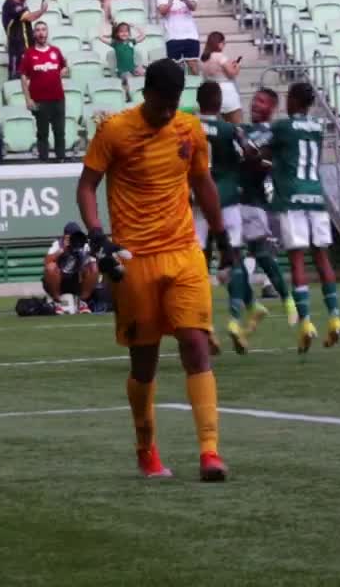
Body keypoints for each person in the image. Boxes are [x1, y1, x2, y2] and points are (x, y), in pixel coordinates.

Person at [76, 58, 235, 481]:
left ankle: (209, 452)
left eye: (173, 104)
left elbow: (202, 182)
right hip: (135, 260)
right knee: (144, 363)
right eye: (161, 103)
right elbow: (87, 186)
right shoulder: (114, 130)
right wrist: (97, 235)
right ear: (145, 93)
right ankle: (146, 450)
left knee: (196, 345)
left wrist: (221, 235)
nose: (167, 112)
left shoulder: (189, 129)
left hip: (184, 252)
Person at [255, 82, 340, 353]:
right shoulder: (317, 127)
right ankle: (335, 317)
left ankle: (306, 322)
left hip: (292, 197)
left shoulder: (282, 126)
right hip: (315, 196)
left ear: (294, 100)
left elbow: (260, 149)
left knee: (297, 260)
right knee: (322, 258)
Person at [195, 81, 259, 354]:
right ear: (220, 103)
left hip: (197, 199)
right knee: (232, 256)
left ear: (198, 102)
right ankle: (234, 319)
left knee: (198, 261)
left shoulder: (187, 126)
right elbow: (250, 152)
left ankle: (204, 325)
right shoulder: (230, 129)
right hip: (227, 199)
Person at [240, 88, 297, 326]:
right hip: (235, 200)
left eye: (261, 102)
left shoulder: (274, 134)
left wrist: (256, 158)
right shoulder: (242, 130)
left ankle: (285, 300)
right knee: (236, 260)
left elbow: (267, 162)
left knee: (261, 253)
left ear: (272, 108)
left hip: (256, 201)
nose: (255, 105)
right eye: (254, 100)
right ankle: (257, 305)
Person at [20, 21, 71, 162]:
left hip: (58, 98)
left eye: (43, 29)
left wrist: (64, 70)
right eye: (38, 30)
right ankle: (44, 160)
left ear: (47, 32)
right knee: (42, 133)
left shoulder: (55, 51)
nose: (41, 32)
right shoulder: (29, 54)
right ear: (34, 34)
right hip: (39, 99)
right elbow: (23, 77)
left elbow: (65, 67)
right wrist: (28, 99)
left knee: (60, 131)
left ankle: (61, 158)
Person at [43, 222, 100, 314]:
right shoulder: (58, 244)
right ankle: (57, 302)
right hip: (59, 281)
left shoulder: (84, 244)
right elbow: (46, 262)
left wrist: (90, 251)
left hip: (76, 280)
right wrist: (63, 250)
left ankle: (82, 302)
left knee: (93, 267)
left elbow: (95, 261)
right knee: (51, 267)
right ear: (66, 236)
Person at [2, 0, 50, 80]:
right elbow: (29, 17)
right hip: (17, 49)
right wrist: (42, 10)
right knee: (17, 80)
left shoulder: (19, 1)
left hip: (26, 47)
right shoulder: (11, 4)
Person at [156, 0, 200, 66]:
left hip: (190, 35)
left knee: (193, 66)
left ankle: (196, 82)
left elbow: (193, 7)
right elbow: (163, 11)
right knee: (174, 67)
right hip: (172, 37)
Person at [99, 22, 146, 101]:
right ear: (117, 34)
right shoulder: (115, 43)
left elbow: (143, 36)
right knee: (129, 78)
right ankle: (129, 96)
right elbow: (101, 38)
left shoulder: (131, 42)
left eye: (126, 31)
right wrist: (104, 32)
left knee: (144, 73)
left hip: (133, 68)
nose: (124, 33)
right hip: (122, 70)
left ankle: (143, 95)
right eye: (121, 32)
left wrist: (134, 26)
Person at [200, 31, 242, 115]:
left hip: (211, 94)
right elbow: (232, 73)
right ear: (219, 43)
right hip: (226, 92)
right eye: (223, 43)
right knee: (236, 124)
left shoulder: (204, 59)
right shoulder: (220, 57)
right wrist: (237, 66)